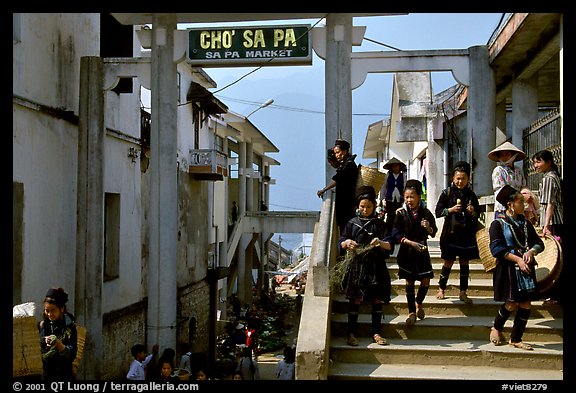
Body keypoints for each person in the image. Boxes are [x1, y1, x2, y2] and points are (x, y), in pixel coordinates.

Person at [488, 185, 544, 350]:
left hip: (525, 268)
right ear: (510, 204)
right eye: (521, 202)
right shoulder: (497, 225)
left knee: (526, 303)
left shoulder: (526, 223)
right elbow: (496, 249)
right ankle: (496, 328)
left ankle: (516, 338)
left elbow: (539, 243)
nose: (524, 205)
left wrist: (531, 252)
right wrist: (518, 259)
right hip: (508, 269)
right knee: (511, 303)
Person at [340, 185, 393, 346]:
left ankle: (376, 333)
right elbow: (341, 241)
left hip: (376, 267)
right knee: (355, 300)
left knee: (377, 300)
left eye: (368, 207)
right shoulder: (352, 223)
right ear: (358, 206)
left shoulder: (379, 224)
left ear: (374, 207)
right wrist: (346, 243)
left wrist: (380, 243)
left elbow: (390, 245)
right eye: (362, 206)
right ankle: (351, 333)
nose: (365, 209)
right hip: (357, 267)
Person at [392, 179, 438, 325]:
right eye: (406, 197)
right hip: (407, 251)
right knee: (409, 281)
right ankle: (411, 312)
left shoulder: (426, 212)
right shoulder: (400, 213)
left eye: (412, 196)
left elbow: (433, 232)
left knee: (425, 281)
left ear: (419, 196)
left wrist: (429, 227)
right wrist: (409, 242)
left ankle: (419, 303)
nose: (409, 200)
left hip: (422, 251)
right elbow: (395, 232)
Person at [434, 161, 480, 304]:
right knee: (448, 262)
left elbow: (477, 214)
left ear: (468, 179)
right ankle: (441, 288)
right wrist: (451, 210)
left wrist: (473, 212)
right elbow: (438, 212)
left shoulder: (471, 195)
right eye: (458, 178)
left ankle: (463, 292)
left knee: (464, 263)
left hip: (466, 234)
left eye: (463, 179)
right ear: (453, 178)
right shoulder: (446, 193)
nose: (460, 181)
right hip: (450, 234)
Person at [532, 149, 564, 305]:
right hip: (552, 223)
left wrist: (546, 225)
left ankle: (555, 295)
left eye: (538, 162)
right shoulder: (549, 177)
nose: (536, 166)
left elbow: (550, 204)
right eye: (534, 162)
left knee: (556, 261)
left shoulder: (550, 179)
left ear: (549, 162)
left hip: (554, 224)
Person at [317, 138, 359, 235]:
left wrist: (324, 189)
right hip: (345, 202)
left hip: (347, 202)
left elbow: (337, 179)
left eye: (338, 152)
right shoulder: (346, 164)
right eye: (335, 153)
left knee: (346, 228)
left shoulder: (349, 165)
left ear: (344, 151)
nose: (336, 155)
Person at [38, 287, 78, 380]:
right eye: (47, 310)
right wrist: (45, 341)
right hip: (46, 375)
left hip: (64, 375)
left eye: (53, 310)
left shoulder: (70, 328)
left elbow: (71, 354)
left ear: (62, 309)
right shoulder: (42, 325)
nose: (49, 314)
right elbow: (37, 345)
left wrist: (58, 344)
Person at [488, 141, 527, 219]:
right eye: (502, 155)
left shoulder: (518, 171)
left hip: (518, 208)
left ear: (513, 155)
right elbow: (501, 191)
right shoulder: (498, 170)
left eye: (507, 154)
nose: (505, 157)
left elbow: (523, 186)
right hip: (504, 208)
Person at [381, 157, 408, 235]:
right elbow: (384, 187)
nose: (395, 168)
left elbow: (405, 187)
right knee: (390, 217)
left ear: (399, 167)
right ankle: (388, 235)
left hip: (400, 199)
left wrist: (405, 199)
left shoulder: (403, 176)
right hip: (390, 199)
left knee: (399, 217)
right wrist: (381, 199)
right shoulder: (388, 175)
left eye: (397, 166)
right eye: (393, 166)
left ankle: (398, 234)